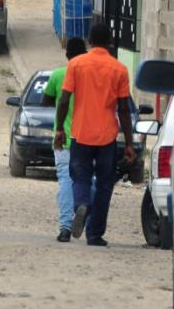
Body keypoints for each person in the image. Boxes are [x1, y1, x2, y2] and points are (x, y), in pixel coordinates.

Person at [53, 24, 134, 247]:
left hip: (80, 133)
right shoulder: (119, 69)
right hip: (107, 136)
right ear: (109, 41)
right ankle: (95, 234)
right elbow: (124, 109)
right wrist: (128, 143)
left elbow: (64, 99)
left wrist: (60, 129)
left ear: (89, 40)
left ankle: (82, 203)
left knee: (80, 176)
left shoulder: (77, 64)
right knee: (105, 184)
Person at [42, 37, 88, 243]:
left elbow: (46, 101)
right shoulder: (91, 75)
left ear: (67, 54)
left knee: (65, 182)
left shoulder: (59, 74)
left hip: (63, 140)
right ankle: (84, 206)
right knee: (88, 180)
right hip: (87, 138)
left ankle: (65, 228)